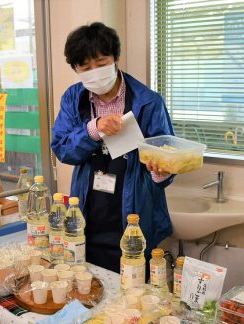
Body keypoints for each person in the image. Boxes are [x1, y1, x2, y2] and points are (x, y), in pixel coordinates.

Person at [51, 22, 175, 272]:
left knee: (134, 284)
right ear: (75, 68)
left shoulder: (148, 102)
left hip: (134, 210)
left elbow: (165, 166)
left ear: (116, 58)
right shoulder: (73, 99)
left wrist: (160, 169)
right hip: (89, 206)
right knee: (88, 280)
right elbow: (62, 148)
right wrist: (94, 129)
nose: (94, 72)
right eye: (85, 67)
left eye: (101, 62)